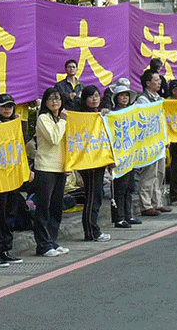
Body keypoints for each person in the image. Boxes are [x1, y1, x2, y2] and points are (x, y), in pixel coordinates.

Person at [0, 94, 25, 266]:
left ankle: (6, 249)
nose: (7, 109)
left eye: (10, 106)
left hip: (12, 174)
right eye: (3, 106)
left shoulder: (14, 125)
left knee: (10, 213)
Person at [32, 87, 71, 255]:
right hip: (45, 168)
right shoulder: (43, 118)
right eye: (51, 99)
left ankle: (52, 241)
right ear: (45, 103)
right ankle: (43, 245)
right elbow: (54, 139)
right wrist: (62, 121)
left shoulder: (62, 118)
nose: (55, 102)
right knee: (44, 207)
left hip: (61, 168)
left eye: (58, 98)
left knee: (56, 207)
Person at [136, 70, 172, 216]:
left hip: (159, 141)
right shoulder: (143, 100)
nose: (159, 83)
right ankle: (145, 204)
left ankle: (158, 202)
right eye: (156, 80)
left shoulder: (158, 98)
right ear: (148, 83)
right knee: (149, 174)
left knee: (160, 173)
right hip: (149, 143)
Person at [78, 85, 111, 241]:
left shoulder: (101, 114)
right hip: (89, 161)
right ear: (85, 99)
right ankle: (91, 231)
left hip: (100, 159)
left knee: (97, 194)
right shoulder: (81, 116)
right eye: (91, 96)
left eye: (97, 95)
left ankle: (93, 228)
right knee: (92, 195)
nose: (95, 98)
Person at [109, 83, 142, 227]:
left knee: (129, 186)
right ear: (116, 98)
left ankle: (128, 215)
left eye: (127, 95)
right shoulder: (112, 114)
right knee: (120, 187)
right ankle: (119, 217)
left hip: (130, 153)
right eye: (122, 95)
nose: (124, 98)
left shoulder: (132, 112)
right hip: (119, 154)